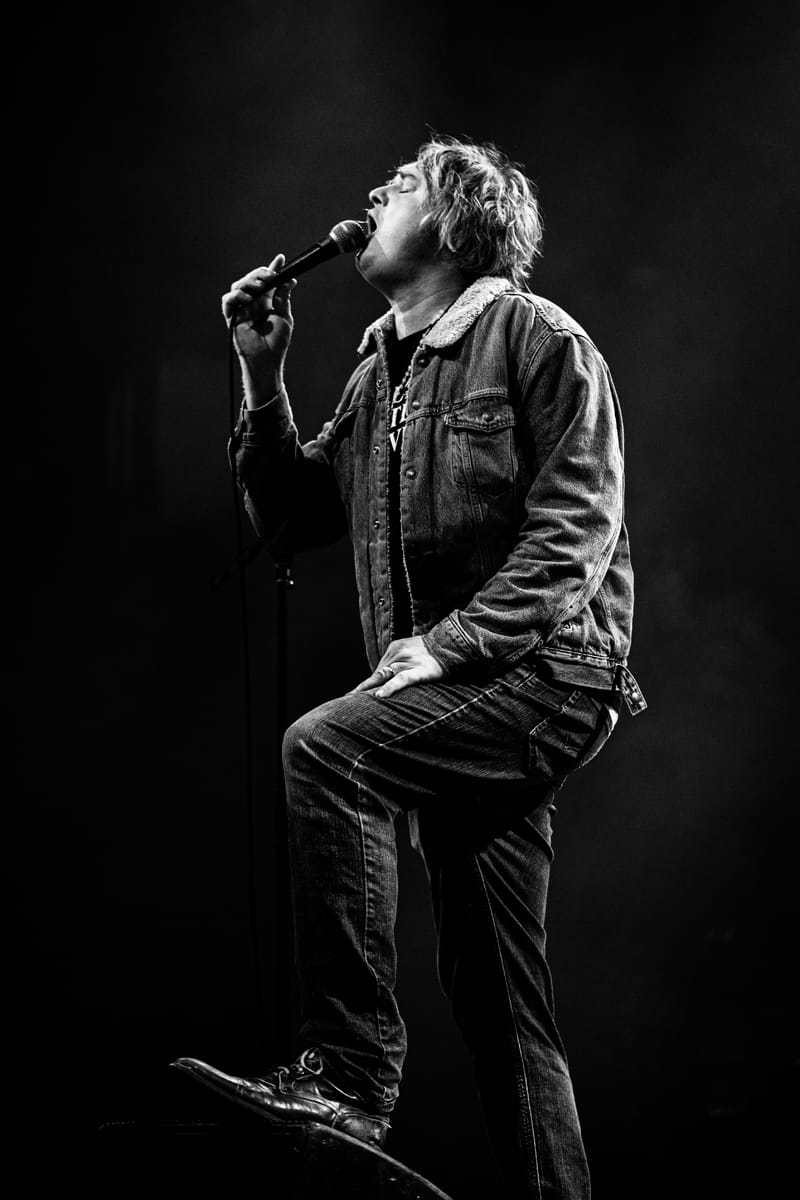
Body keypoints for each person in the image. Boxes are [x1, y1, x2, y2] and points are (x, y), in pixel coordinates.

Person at [172, 136, 646, 1200]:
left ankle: (346, 1077)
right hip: (455, 691)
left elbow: (575, 534)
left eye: (406, 183)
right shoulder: (376, 373)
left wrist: (446, 645)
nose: (376, 190)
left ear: (456, 222)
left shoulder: (536, 338)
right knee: (501, 1000)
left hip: (544, 676)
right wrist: (261, 377)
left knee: (327, 751)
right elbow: (293, 519)